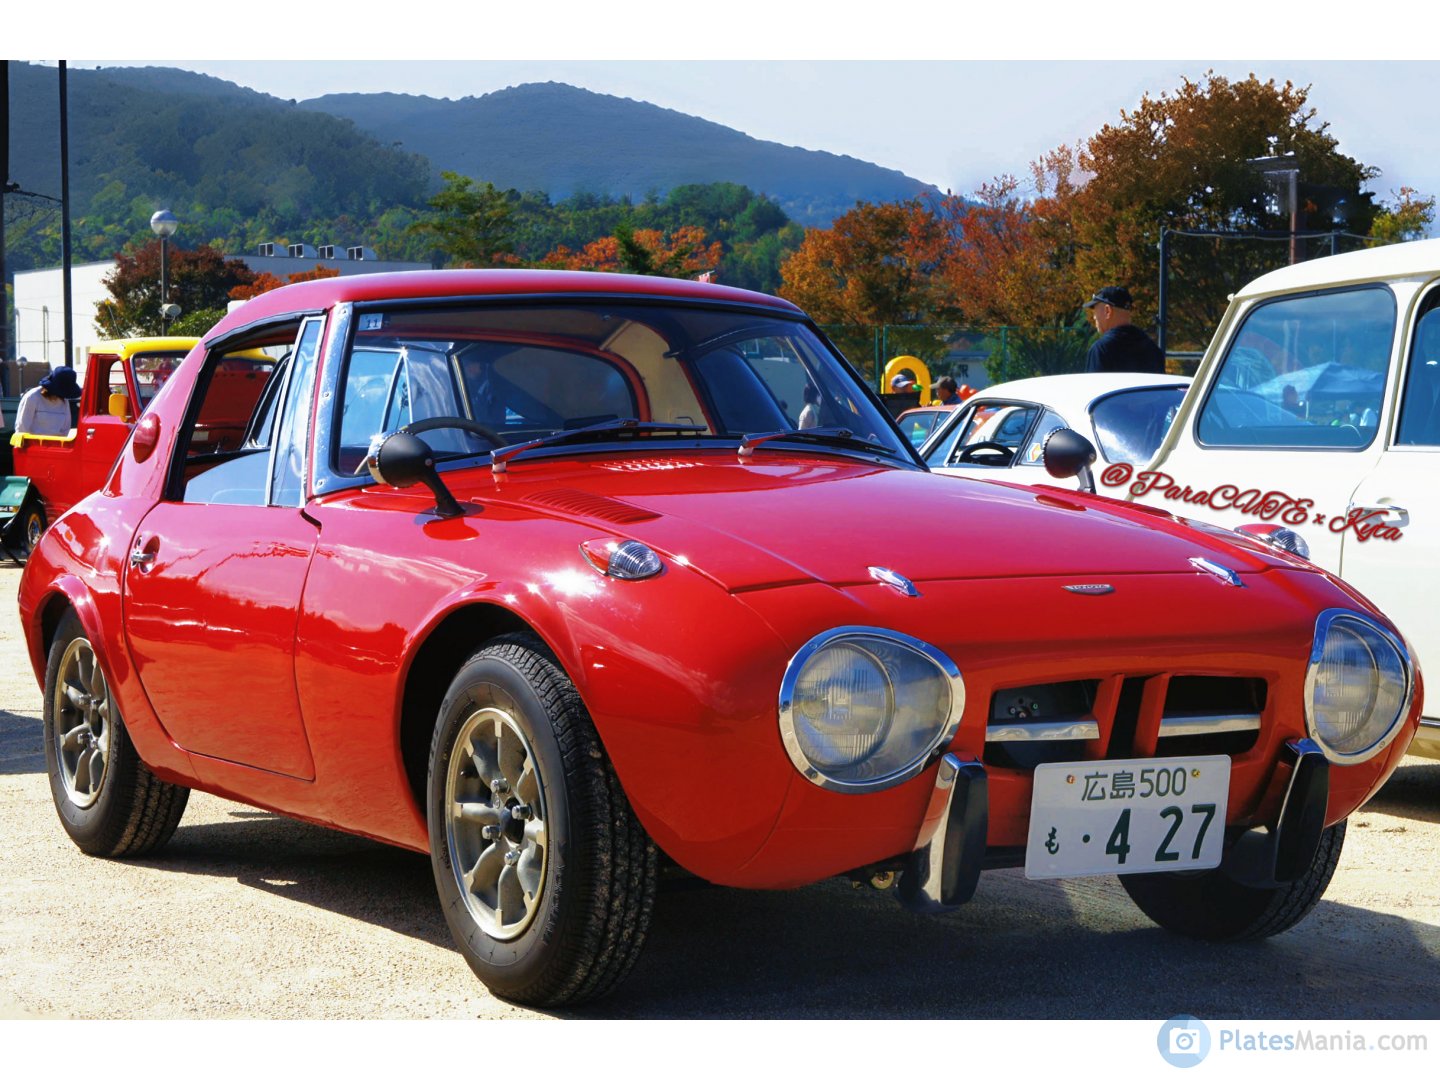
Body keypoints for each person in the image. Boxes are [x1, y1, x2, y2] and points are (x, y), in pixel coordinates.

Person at [1083, 286, 1166, 375]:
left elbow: (1096, 387)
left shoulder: (1101, 350)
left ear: (1108, 311)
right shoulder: (1153, 349)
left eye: (1095, 311)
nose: (1094, 317)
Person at [15, 366, 81, 436]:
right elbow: (22, 427)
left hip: (56, 445)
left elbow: (65, 429)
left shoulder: (65, 401)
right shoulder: (32, 397)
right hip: (34, 445)